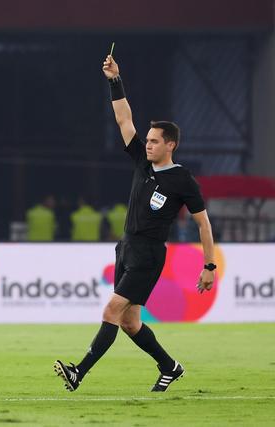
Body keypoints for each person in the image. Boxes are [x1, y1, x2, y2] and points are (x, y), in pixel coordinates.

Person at [53, 54, 216, 393]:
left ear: (170, 145)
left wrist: (209, 266)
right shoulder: (142, 161)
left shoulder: (183, 180)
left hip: (149, 254)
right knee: (129, 322)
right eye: (149, 140)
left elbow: (203, 224)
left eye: (155, 141)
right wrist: (115, 80)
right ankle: (170, 366)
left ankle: (78, 372)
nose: (149, 144)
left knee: (112, 310)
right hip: (126, 247)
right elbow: (123, 118)